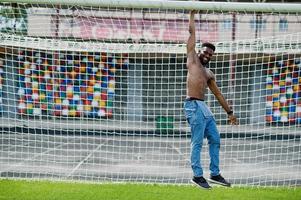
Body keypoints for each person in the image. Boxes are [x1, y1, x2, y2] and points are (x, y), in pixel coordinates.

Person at [184, 10, 238, 190]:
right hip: (192, 104)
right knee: (197, 142)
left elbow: (218, 94)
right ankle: (197, 176)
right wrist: (192, 15)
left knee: (215, 138)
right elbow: (192, 34)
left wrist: (230, 113)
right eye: (205, 52)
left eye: (210, 55)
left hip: (204, 108)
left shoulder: (209, 73)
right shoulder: (192, 59)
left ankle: (215, 174)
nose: (207, 56)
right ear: (200, 51)